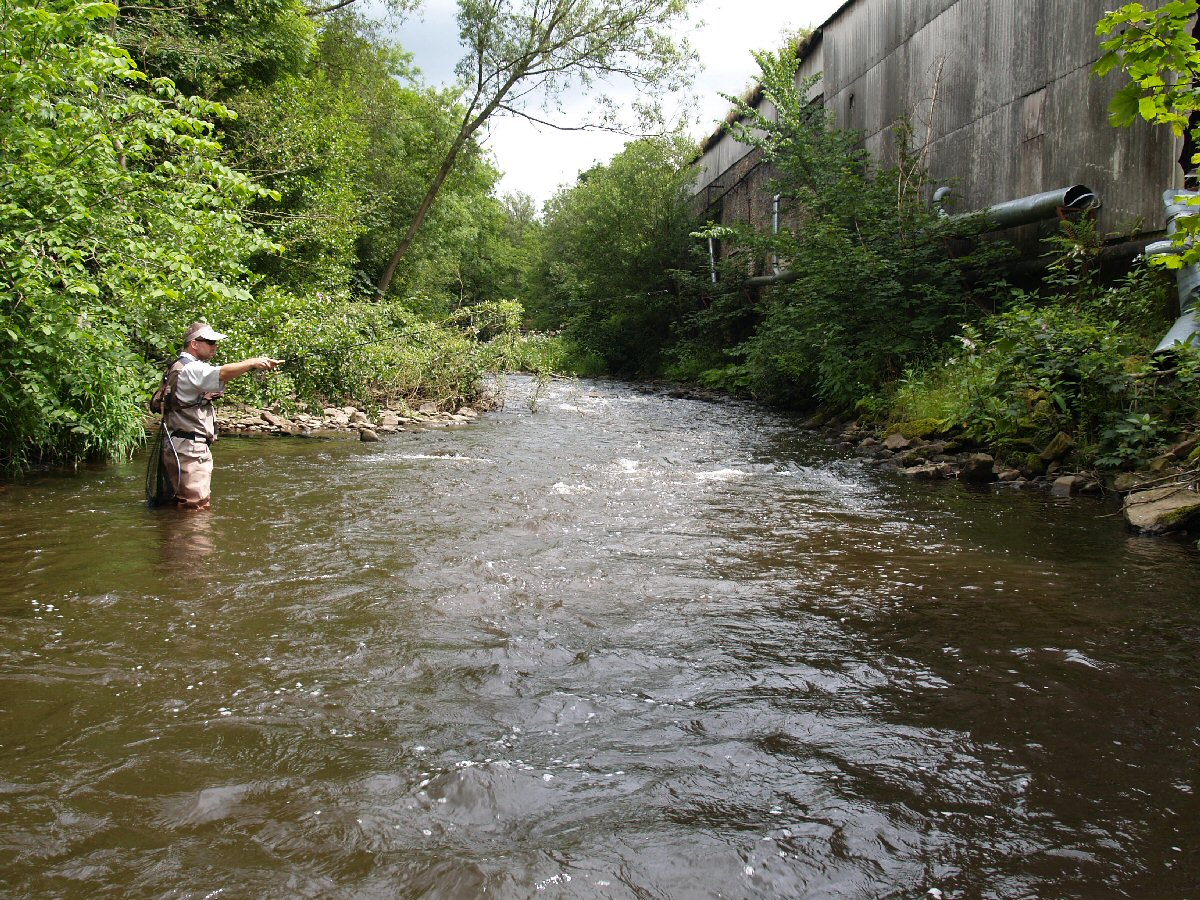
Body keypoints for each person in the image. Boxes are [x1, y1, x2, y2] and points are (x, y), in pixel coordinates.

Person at [159, 321, 284, 509]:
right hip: (190, 451)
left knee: (178, 507)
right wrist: (252, 362)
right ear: (194, 344)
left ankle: (175, 538)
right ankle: (192, 539)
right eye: (210, 342)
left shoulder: (177, 366)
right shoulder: (192, 368)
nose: (214, 347)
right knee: (197, 509)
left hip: (175, 445)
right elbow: (222, 373)